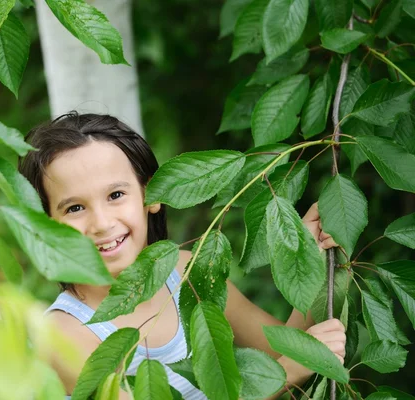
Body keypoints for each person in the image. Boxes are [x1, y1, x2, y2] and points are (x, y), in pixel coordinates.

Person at [19, 112, 345, 399]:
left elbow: (280, 353)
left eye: (116, 195)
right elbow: (287, 367)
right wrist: (289, 373)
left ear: (151, 195)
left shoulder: (187, 271)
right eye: (75, 208)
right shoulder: (64, 335)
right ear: (47, 224)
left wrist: (309, 255)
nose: (102, 223)